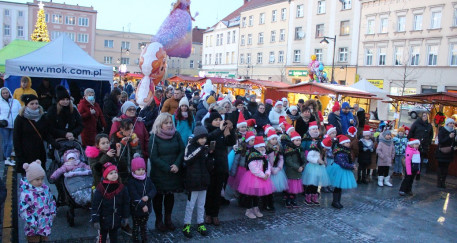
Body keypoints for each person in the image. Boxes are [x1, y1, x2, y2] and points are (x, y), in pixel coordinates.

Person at [149, 113, 185, 232]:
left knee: (170, 196)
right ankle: (159, 220)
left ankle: (168, 219)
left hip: (174, 171)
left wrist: (177, 164)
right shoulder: (154, 136)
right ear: (160, 124)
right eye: (166, 123)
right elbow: (153, 157)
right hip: (160, 173)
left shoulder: (176, 134)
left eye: (170, 122)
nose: (169, 125)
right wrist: (167, 167)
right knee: (158, 198)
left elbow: (182, 150)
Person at [204, 112, 236, 226]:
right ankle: (208, 213)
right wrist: (219, 130)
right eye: (215, 119)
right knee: (209, 191)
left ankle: (215, 214)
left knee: (218, 192)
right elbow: (207, 139)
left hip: (221, 164)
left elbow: (231, 142)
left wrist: (231, 130)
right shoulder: (207, 129)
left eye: (219, 119)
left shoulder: (224, 130)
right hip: (210, 165)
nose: (218, 121)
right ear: (211, 121)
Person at [182, 124, 211, 238]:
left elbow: (207, 165)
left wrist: (209, 156)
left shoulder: (204, 148)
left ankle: (200, 222)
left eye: (205, 138)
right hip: (193, 180)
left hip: (203, 179)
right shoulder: (191, 146)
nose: (203, 140)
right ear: (197, 137)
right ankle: (186, 224)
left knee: (201, 204)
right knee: (191, 204)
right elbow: (187, 159)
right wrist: (200, 149)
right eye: (201, 138)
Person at [13, 95, 53, 174]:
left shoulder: (42, 116)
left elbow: (46, 133)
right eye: (32, 104)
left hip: (39, 151)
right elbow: (16, 138)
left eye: (36, 103)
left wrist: (55, 143)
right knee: (28, 177)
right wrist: (19, 155)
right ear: (26, 105)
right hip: (26, 153)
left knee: (39, 177)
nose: (35, 106)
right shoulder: (20, 118)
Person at [91, 163, 130, 243]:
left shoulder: (121, 187)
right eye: (111, 173)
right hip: (103, 219)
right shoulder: (101, 188)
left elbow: (125, 203)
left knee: (114, 237)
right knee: (102, 238)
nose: (114, 175)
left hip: (116, 218)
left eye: (115, 172)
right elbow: (96, 204)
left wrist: (125, 216)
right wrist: (95, 218)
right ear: (105, 175)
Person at [19, 160, 56, 243]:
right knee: (34, 240)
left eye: (42, 179)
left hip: (45, 223)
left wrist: (53, 212)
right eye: (37, 179)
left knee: (45, 239)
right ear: (30, 179)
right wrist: (32, 223)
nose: (40, 182)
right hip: (32, 227)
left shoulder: (45, 188)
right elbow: (24, 210)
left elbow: (51, 200)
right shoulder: (26, 194)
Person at [238, 136, 273, 219]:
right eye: (260, 146)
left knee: (257, 195)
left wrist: (267, 173)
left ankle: (256, 208)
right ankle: (249, 210)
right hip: (253, 177)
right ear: (256, 147)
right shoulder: (252, 155)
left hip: (262, 177)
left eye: (263, 146)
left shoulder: (263, 155)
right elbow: (253, 168)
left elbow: (268, 165)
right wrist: (263, 175)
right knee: (250, 195)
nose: (262, 148)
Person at [128, 157, 157, 243]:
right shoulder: (131, 181)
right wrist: (142, 204)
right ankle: (135, 239)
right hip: (136, 209)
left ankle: (144, 239)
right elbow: (134, 195)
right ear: (133, 171)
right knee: (136, 225)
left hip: (147, 208)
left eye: (142, 169)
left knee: (144, 225)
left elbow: (153, 189)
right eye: (138, 169)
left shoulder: (147, 179)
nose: (141, 171)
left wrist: (148, 196)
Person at [327, 135, 357, 209]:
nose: (348, 144)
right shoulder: (340, 152)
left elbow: (348, 161)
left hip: (342, 170)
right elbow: (342, 163)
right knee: (337, 187)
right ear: (342, 144)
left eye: (348, 142)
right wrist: (351, 166)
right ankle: (335, 201)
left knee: (339, 187)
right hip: (339, 170)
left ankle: (337, 201)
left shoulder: (346, 151)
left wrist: (352, 165)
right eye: (347, 143)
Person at [111, 119, 142, 183]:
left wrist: (135, 146)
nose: (131, 132)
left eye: (132, 129)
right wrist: (122, 144)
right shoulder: (115, 138)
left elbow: (138, 156)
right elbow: (118, 158)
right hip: (121, 171)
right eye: (128, 129)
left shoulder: (134, 138)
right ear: (121, 129)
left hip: (133, 169)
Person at [302, 141, 330, 205]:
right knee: (311, 183)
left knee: (316, 183)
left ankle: (314, 197)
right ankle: (308, 197)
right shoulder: (313, 150)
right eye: (325, 148)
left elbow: (324, 158)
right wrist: (317, 160)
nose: (325, 149)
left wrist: (324, 162)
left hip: (319, 168)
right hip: (312, 168)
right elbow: (308, 157)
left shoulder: (323, 152)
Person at [265, 130, 287, 210]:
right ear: (269, 140)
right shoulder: (267, 149)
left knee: (273, 187)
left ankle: (271, 202)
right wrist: (271, 169)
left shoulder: (279, 148)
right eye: (272, 139)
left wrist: (278, 168)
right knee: (268, 188)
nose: (274, 140)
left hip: (276, 169)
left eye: (275, 139)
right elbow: (266, 161)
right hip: (269, 170)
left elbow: (281, 159)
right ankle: (267, 203)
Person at [408, 112, 433, 178]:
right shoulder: (416, 123)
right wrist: (411, 142)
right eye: (424, 116)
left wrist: (428, 142)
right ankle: (411, 171)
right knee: (413, 158)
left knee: (420, 159)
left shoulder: (429, 125)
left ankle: (418, 173)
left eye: (426, 116)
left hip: (424, 145)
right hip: (415, 144)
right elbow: (411, 132)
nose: (425, 117)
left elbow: (431, 135)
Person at [283, 131, 305, 208]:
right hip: (291, 171)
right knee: (290, 186)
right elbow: (289, 161)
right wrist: (297, 167)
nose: (298, 142)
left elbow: (304, 159)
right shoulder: (289, 150)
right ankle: (288, 199)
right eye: (297, 140)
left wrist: (302, 166)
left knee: (295, 187)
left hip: (299, 171)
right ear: (292, 141)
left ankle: (294, 199)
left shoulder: (300, 149)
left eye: (299, 140)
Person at [0, 87, 21, 166]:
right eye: (3, 93)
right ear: (1, 94)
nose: (5, 94)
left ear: (9, 93)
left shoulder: (15, 102)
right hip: (4, 125)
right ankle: (7, 158)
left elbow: (20, 111)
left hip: (14, 125)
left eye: (6, 93)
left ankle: (6, 157)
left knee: (10, 142)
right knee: (6, 142)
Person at [435, 118, 456, 188]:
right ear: (447, 124)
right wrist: (449, 137)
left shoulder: (454, 131)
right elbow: (441, 141)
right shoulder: (442, 130)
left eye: (453, 123)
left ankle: (443, 182)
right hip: (441, 152)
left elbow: (454, 142)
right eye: (450, 123)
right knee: (440, 167)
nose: (452, 125)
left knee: (446, 168)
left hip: (449, 152)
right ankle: (439, 182)